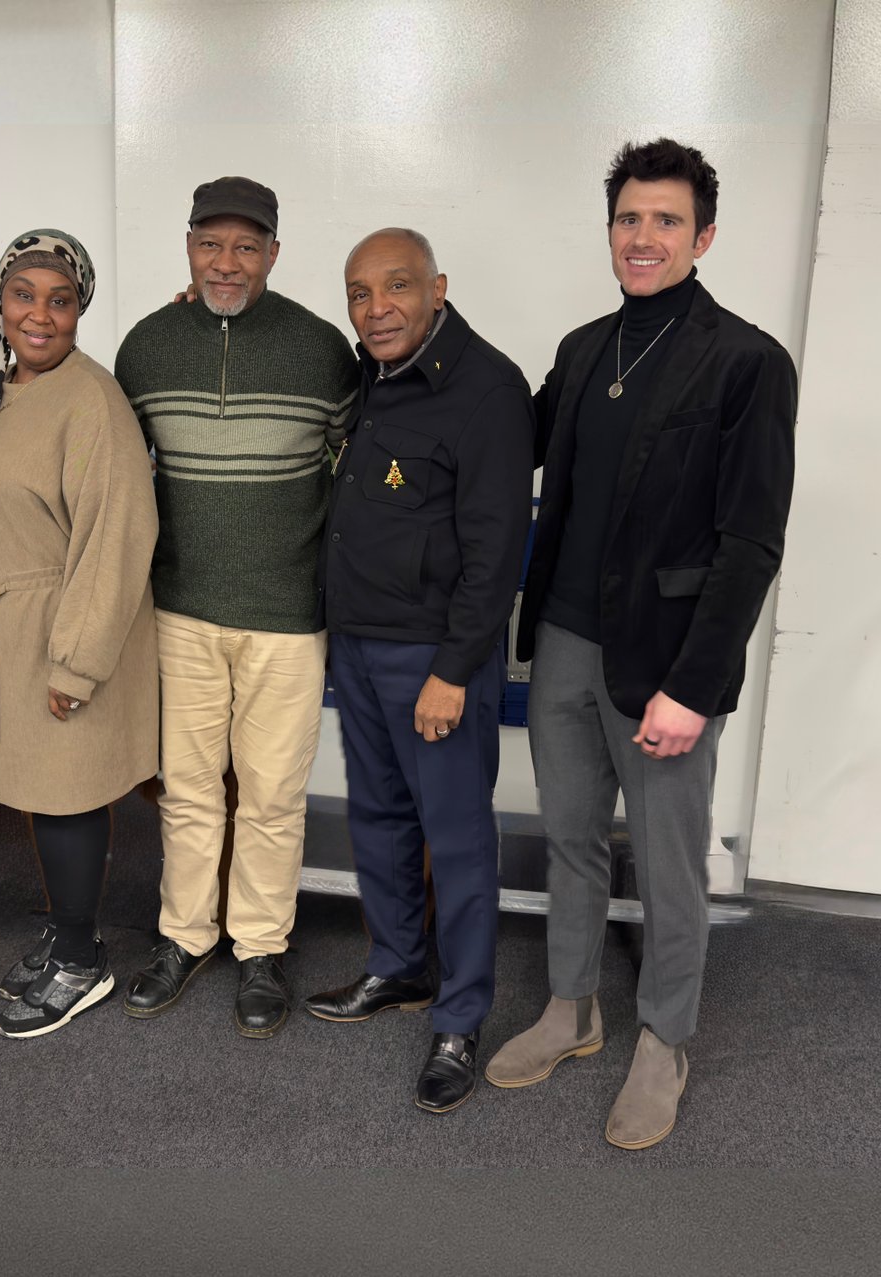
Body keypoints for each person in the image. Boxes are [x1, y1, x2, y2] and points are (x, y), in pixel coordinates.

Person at [485, 140, 797, 1149]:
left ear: (702, 236)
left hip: (665, 663)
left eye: (666, 220)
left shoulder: (746, 361)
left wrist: (693, 686)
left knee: (665, 867)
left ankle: (664, 1038)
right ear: (608, 229)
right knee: (570, 841)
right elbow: (507, 440)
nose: (643, 236)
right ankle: (571, 1009)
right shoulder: (583, 350)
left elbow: (750, 540)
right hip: (564, 645)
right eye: (628, 218)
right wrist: (417, 359)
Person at [113, 177, 358, 1038]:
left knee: (272, 794)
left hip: (289, 614)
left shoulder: (324, 349)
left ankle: (260, 946)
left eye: (246, 246)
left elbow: (355, 467)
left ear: (275, 255)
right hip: (180, 607)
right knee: (186, 790)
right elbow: (118, 479)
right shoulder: (146, 347)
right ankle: (185, 936)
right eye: (211, 243)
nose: (226, 262)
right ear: (187, 246)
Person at [305, 229, 533, 1113]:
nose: (376, 308)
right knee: (379, 815)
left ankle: (460, 1016)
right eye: (359, 293)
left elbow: (495, 550)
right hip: (359, 642)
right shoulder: (370, 372)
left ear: (438, 286)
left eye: (395, 287)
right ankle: (398, 968)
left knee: (460, 835)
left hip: (435, 659)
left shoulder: (486, 390)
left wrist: (453, 670)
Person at [0, 228, 159, 1038]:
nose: (41, 314)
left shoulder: (90, 398)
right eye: (25, 295)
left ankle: (82, 964)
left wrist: (76, 661)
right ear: (0, 300)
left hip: (67, 621)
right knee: (44, 796)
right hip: (8, 624)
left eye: (61, 300)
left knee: (67, 799)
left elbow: (117, 536)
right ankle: (72, 932)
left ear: (80, 310)